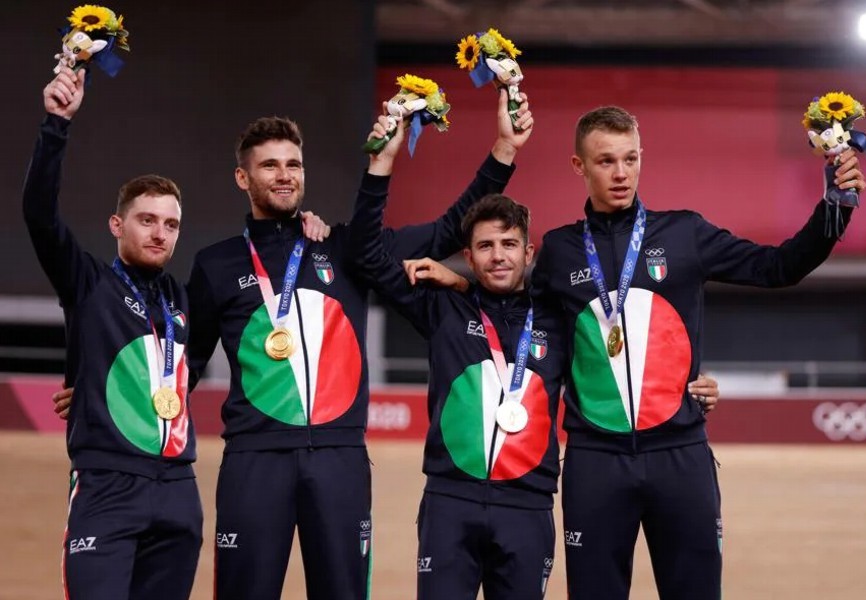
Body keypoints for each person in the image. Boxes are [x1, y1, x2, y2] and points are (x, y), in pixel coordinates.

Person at [351, 112, 721, 598]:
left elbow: (620, 349)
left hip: (528, 507)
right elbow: (365, 254)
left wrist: (688, 381)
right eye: (485, 247)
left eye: (509, 244)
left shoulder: (556, 320)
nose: (498, 255)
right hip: (450, 500)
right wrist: (382, 165)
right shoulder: (441, 307)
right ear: (468, 255)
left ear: (529, 256)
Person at [183, 88, 533, 599]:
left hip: (339, 459)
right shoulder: (215, 264)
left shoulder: (345, 249)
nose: (284, 175)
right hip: (253, 459)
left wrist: (504, 150)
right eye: (269, 166)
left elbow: (446, 231)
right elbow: (185, 361)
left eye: (293, 164)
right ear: (243, 177)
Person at [529, 105, 866, 599]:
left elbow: (778, 267)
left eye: (630, 158)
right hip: (595, 460)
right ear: (579, 166)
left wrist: (835, 208)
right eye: (606, 161)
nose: (621, 173)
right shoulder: (559, 251)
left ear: (641, 158)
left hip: (679, 454)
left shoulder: (684, 233)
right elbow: (533, 346)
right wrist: (456, 285)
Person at [24, 67, 201, 599]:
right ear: (116, 225)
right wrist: (56, 125)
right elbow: (39, 216)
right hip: (107, 486)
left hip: (179, 490)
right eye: (147, 220)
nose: (160, 233)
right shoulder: (88, 283)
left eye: (171, 224)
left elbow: (176, 371)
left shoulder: (180, 299)